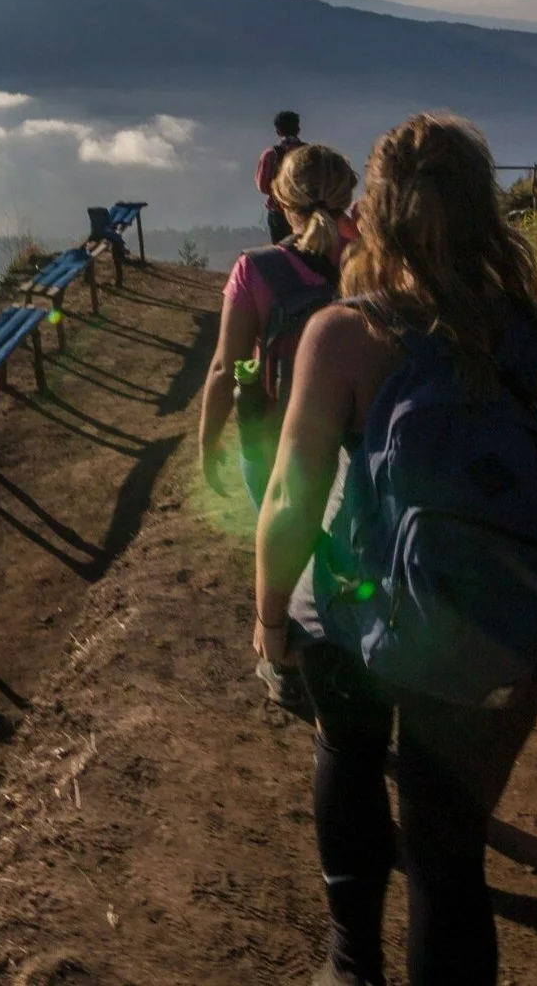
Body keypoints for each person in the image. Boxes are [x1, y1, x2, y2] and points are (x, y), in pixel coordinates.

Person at [253, 113, 537, 986]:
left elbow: (292, 498)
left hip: (353, 612)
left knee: (350, 757)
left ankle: (350, 964)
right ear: (487, 212)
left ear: (370, 217)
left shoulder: (341, 335)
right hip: (487, 629)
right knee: (448, 854)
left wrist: (268, 621)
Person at [197, 142, 358, 716]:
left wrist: (209, 441)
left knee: (280, 539)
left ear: (279, 200)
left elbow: (226, 366)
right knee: (336, 541)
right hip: (349, 436)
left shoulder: (256, 271)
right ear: (349, 198)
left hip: (270, 435)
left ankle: (285, 662)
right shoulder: (369, 260)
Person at [255, 111, 304, 243]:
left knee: (281, 252)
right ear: (298, 130)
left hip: (278, 211)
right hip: (307, 212)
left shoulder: (271, 154)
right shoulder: (311, 153)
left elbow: (263, 186)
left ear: (278, 131)